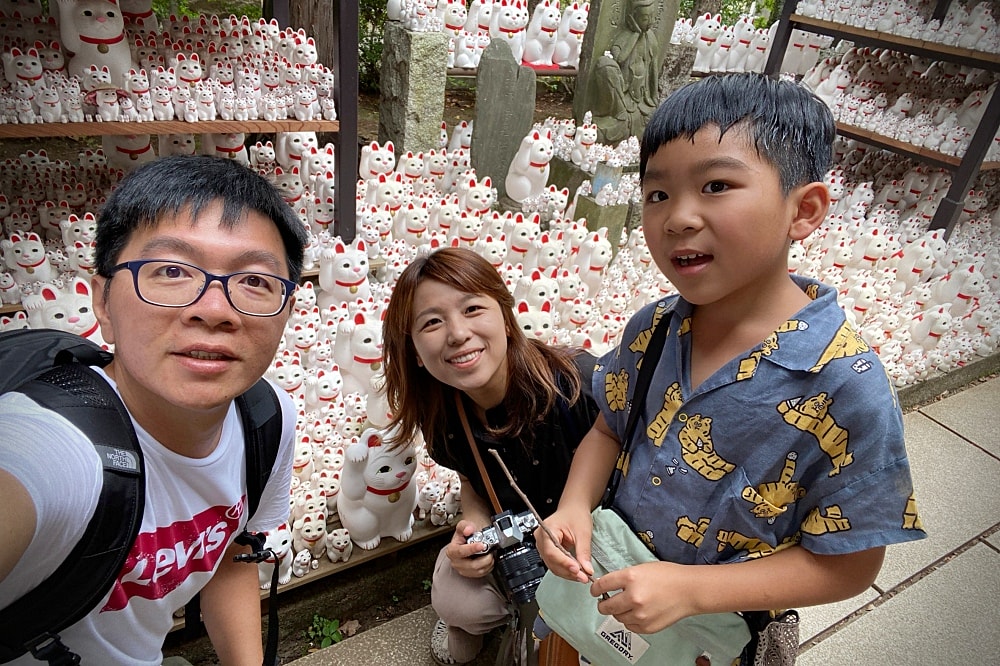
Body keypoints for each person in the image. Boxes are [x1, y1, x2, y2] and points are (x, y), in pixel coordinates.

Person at [537, 74, 927, 646]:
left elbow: (851, 565)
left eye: (716, 185)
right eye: (657, 194)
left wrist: (692, 590)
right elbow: (607, 428)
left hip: (721, 634)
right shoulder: (654, 328)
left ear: (805, 209)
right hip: (609, 594)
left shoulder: (845, 383)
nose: (678, 218)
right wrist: (573, 506)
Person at [0, 155, 308, 665]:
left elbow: (232, 552)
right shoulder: (53, 451)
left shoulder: (266, 418)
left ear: (287, 311)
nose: (213, 310)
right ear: (102, 303)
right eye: (170, 271)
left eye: (254, 281)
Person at [381, 247, 600, 665]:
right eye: (431, 322)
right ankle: (496, 617)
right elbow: (470, 478)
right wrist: (475, 527)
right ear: (412, 350)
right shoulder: (444, 411)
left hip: (591, 547)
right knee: (455, 595)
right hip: (520, 548)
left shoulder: (577, 386)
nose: (458, 333)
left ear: (505, 313)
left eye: (473, 308)